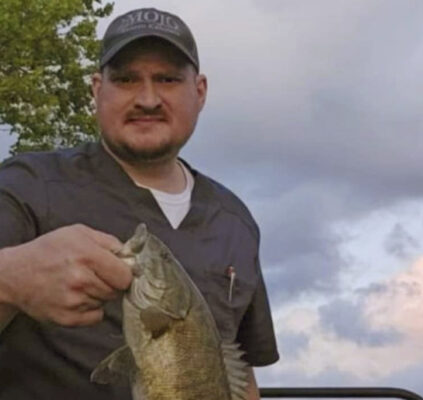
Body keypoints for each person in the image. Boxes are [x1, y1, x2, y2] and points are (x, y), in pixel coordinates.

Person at [0, 7, 279, 400]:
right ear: (97, 89)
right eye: (126, 79)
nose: (148, 99)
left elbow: (241, 373)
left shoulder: (235, 221)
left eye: (167, 79)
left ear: (199, 91)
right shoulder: (26, 185)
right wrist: (10, 279)